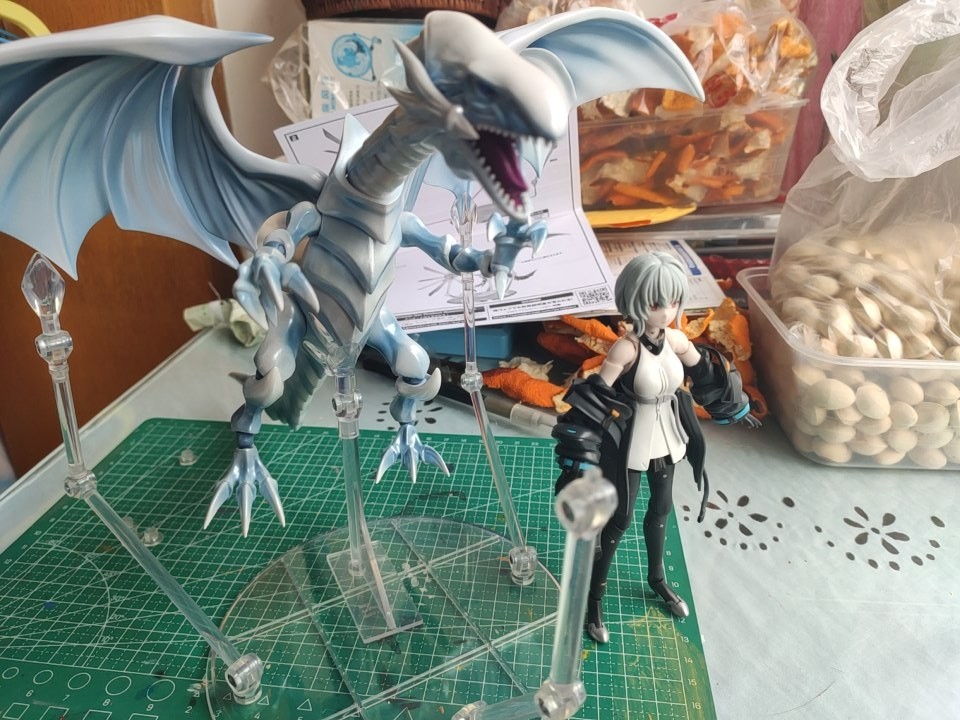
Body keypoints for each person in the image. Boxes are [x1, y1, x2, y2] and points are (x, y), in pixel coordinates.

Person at [553, 251, 758, 643]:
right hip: (632, 442)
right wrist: (578, 454)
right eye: (656, 303)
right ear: (635, 301)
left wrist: (736, 405)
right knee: (619, 520)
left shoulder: (677, 340)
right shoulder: (625, 350)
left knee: (661, 510)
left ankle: (657, 579)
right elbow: (594, 397)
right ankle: (594, 599)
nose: (667, 311)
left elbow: (706, 373)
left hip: (669, 436)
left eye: (674, 301)